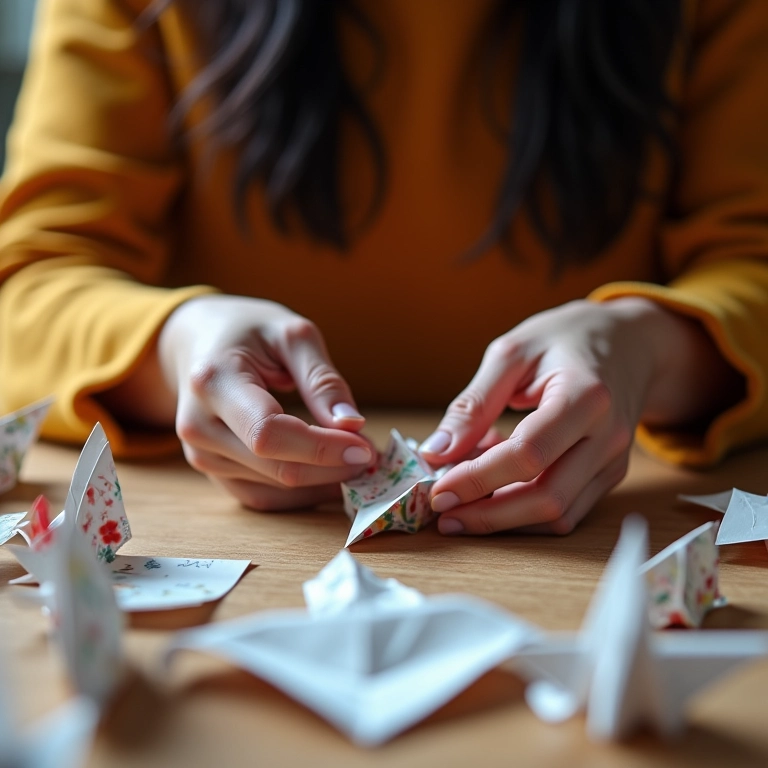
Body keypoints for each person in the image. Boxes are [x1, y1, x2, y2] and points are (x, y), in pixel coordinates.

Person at [0, 0, 765, 537]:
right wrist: (176, 345)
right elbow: (32, 281)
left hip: (603, 539)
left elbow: (752, 260)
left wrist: (648, 345)